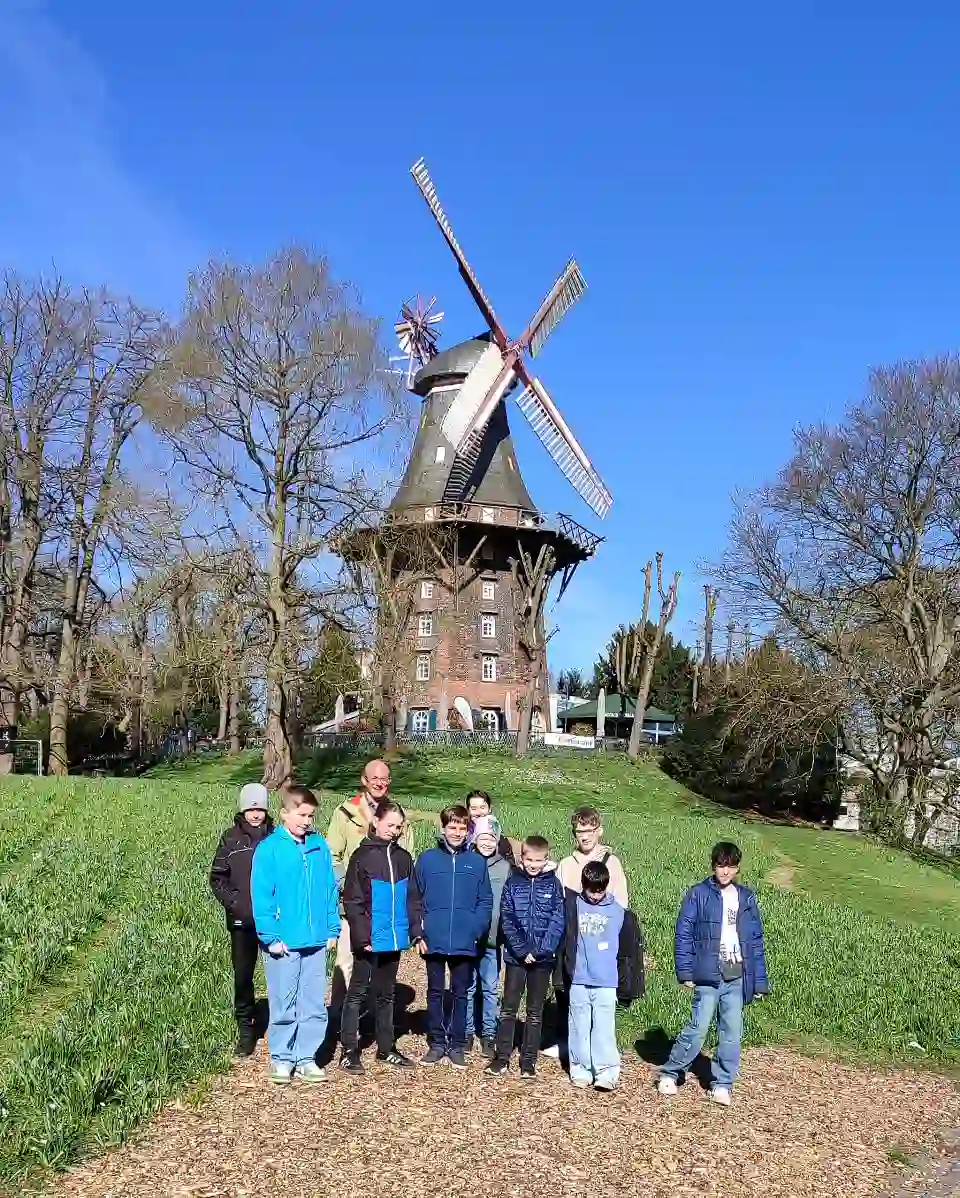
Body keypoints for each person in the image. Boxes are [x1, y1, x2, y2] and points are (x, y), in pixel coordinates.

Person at [657, 841, 769, 1107]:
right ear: (713, 865)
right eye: (721, 865)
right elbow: (683, 933)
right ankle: (671, 1072)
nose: (725, 871)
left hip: (736, 973)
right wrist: (684, 970)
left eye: (730, 866)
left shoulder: (746, 897)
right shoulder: (698, 894)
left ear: (737, 868)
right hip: (708, 973)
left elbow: (755, 940)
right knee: (698, 1028)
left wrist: (760, 982)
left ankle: (722, 1083)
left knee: (731, 1031)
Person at [251, 784, 340, 1085]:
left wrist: (332, 929)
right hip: (283, 942)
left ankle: (306, 1057)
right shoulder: (270, 848)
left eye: (311, 816)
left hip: (315, 940)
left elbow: (329, 890)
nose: (306, 821)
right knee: (283, 1000)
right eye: (301, 814)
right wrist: (270, 937)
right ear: (285, 813)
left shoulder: (319, 847)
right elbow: (261, 897)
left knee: (314, 1001)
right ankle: (282, 1057)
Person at [339, 800, 420, 1072]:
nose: (394, 831)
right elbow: (353, 900)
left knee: (386, 994)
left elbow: (412, 899)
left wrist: (414, 931)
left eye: (398, 826)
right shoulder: (362, 857)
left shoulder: (403, 858)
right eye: (389, 825)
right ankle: (349, 1050)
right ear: (376, 822)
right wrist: (362, 938)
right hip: (369, 939)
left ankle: (386, 1048)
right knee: (358, 993)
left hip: (393, 939)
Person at [410, 804, 493, 1068]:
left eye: (462, 827)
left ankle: (457, 1044)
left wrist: (475, 929)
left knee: (460, 992)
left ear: (468, 831)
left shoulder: (477, 862)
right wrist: (417, 932)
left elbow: (485, 900)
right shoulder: (427, 860)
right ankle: (436, 1042)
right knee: (435, 991)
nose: (457, 832)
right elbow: (414, 898)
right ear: (443, 828)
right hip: (433, 938)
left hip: (464, 940)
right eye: (452, 827)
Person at [326, 759, 414, 1004]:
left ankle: (376, 1022)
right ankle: (340, 1020)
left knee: (382, 970)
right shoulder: (345, 812)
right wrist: (349, 887)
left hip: (387, 908)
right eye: (374, 778)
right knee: (347, 963)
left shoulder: (398, 814)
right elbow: (332, 856)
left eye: (384, 778)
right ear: (364, 780)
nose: (379, 783)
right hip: (355, 907)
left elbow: (408, 857)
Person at [554, 859, 645, 1091]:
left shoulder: (618, 913)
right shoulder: (573, 906)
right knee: (578, 1026)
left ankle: (606, 1071)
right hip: (579, 979)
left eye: (600, 890)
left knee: (604, 1028)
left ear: (607, 886)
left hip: (606, 982)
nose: (595, 895)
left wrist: (626, 984)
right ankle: (580, 1069)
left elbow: (627, 953)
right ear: (583, 885)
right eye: (590, 890)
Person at [547, 806, 630, 1060]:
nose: (584, 836)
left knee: (597, 998)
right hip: (570, 939)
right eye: (579, 832)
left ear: (599, 831)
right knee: (565, 989)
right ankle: (567, 1043)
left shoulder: (612, 864)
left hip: (598, 939)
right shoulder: (565, 865)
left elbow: (621, 905)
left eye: (589, 831)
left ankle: (597, 1047)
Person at [486, 835, 565, 1079]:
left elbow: (557, 921)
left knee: (534, 1011)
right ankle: (502, 1057)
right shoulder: (513, 882)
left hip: (542, 960)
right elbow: (507, 918)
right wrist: (521, 950)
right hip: (516, 958)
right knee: (509, 1008)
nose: (533, 864)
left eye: (538, 860)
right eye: (529, 859)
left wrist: (540, 951)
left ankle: (528, 1061)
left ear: (546, 860)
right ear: (522, 858)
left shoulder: (553, 885)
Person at [209, 782, 275, 1057]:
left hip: (274, 919)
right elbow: (217, 877)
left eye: (260, 808)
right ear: (243, 809)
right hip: (242, 922)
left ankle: (280, 1027)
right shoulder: (230, 838)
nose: (256, 814)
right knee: (243, 977)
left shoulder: (277, 837)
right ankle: (246, 1031)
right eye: (251, 808)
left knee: (279, 976)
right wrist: (234, 904)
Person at [465, 827, 510, 1057]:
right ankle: (466, 1031)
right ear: (475, 839)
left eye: (491, 838)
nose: (486, 842)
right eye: (482, 838)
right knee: (468, 986)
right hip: (469, 938)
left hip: (493, 939)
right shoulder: (467, 862)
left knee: (491, 988)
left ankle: (489, 1033)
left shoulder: (504, 867)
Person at [465, 790, 515, 864]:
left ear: (489, 809)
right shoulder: (462, 835)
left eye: (482, 807)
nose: (479, 812)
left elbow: (510, 866)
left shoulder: (501, 841)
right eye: (474, 809)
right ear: (468, 811)